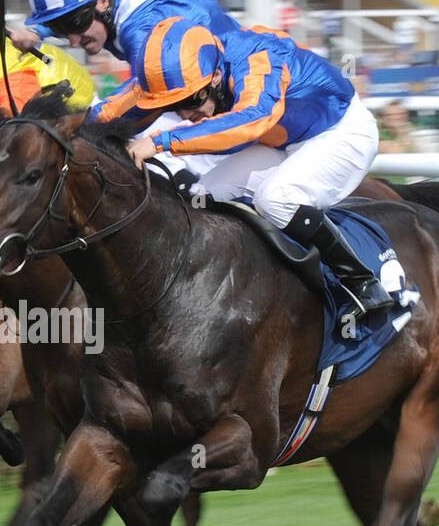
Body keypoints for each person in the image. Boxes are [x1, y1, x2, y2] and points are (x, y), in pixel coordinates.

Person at [122, 17, 393, 320]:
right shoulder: (198, 68)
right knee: (201, 196)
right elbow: (119, 108)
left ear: (213, 78)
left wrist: (161, 142)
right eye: (176, 105)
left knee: (275, 198)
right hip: (284, 141)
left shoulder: (257, 60)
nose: (186, 113)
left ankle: (361, 281)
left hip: (341, 132)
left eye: (192, 99)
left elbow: (252, 120)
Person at [7, 0, 251, 123]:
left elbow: (140, 98)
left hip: (229, 97)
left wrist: (73, 123)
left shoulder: (142, 30)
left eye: (75, 24)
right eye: (62, 28)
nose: (72, 41)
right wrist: (36, 32)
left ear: (102, 3)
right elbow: (74, 15)